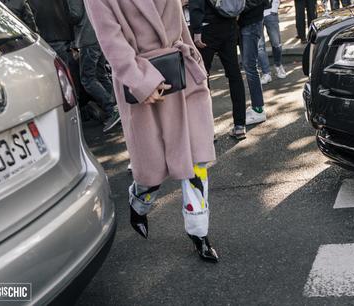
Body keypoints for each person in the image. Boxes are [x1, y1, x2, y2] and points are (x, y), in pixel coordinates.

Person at [85, 0, 219, 262]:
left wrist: (194, 62)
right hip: (143, 82)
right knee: (152, 170)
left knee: (196, 159)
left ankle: (199, 231)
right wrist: (140, 82)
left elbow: (179, 21)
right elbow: (111, 40)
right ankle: (139, 203)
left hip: (182, 74)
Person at [189, 0, 247, 140]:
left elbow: (196, 4)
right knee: (234, 74)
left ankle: (208, 130)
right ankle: (240, 125)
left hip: (207, 27)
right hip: (229, 23)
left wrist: (196, 30)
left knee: (203, 77)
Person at [67, 0, 120, 133]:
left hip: (87, 37)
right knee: (101, 75)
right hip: (99, 33)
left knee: (87, 79)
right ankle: (118, 107)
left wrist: (63, 18)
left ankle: (111, 109)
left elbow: (75, 14)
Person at [238, 0, 268, 125]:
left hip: (251, 21)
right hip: (247, 21)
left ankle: (259, 109)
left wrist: (237, 9)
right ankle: (256, 106)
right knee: (249, 66)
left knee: (250, 66)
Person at [258, 0, 287, 86]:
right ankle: (266, 72)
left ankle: (278, 65)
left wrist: (274, 8)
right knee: (259, 46)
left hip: (270, 12)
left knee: (276, 42)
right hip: (255, 15)